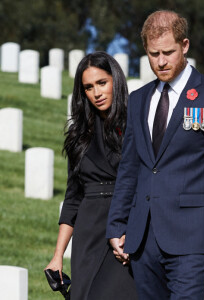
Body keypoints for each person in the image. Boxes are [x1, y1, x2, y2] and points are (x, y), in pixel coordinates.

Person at [106, 10, 204, 299]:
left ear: (185, 45)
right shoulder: (139, 98)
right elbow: (130, 167)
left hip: (193, 235)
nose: (160, 61)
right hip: (143, 237)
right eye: (153, 53)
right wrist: (117, 225)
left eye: (168, 52)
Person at [45, 51, 137, 300]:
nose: (96, 93)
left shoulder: (137, 126)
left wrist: (134, 231)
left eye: (101, 83)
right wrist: (57, 256)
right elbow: (73, 198)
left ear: (115, 80)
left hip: (126, 225)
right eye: (88, 87)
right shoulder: (79, 136)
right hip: (88, 231)